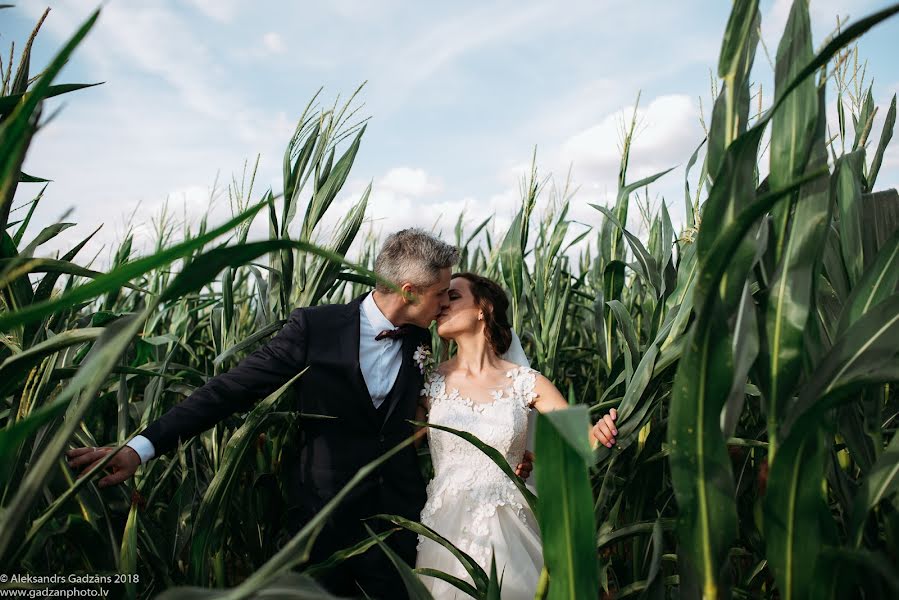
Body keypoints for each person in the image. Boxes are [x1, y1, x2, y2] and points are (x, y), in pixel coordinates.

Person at [64, 229, 538, 599]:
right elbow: (228, 391)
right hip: (321, 524)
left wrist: (519, 450)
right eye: (439, 296)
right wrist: (140, 448)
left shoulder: (422, 343)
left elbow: (472, 403)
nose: (441, 309)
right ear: (410, 290)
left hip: (401, 526)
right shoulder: (314, 329)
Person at [414, 273, 618, 599]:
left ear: (483, 308)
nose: (441, 305)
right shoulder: (428, 383)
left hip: (512, 535)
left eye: (453, 297)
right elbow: (396, 440)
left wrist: (602, 429)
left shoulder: (526, 382)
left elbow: (582, 440)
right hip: (444, 536)